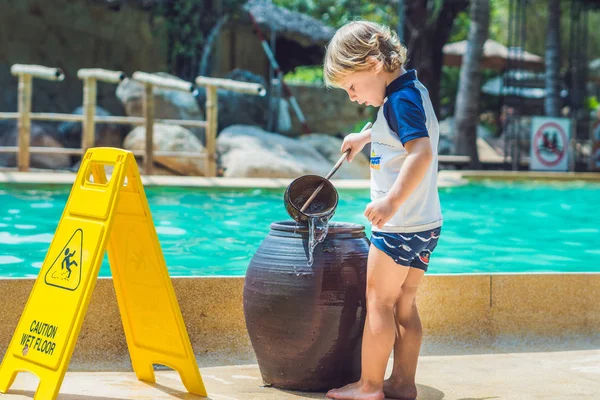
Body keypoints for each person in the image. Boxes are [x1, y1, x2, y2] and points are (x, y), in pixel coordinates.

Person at [323, 20, 443, 400]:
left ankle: (369, 386)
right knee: (404, 304)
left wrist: (390, 201)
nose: (353, 97)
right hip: (425, 225)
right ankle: (403, 383)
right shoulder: (411, 91)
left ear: (373, 62)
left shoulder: (398, 101)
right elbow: (402, 130)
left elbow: (420, 153)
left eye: (352, 86)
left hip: (398, 226)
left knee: (379, 303)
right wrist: (365, 135)